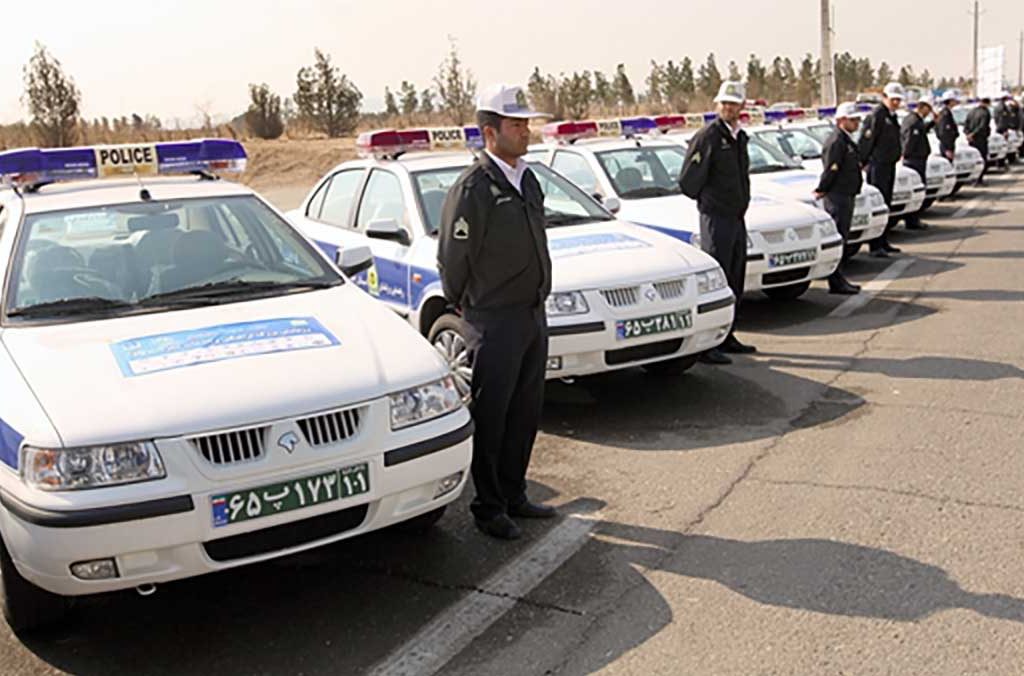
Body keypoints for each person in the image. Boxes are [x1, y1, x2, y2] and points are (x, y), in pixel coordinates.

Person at [437, 84, 554, 540]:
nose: (526, 131)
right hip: (493, 317)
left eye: (527, 124)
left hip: (530, 314)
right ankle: (488, 507)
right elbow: (453, 259)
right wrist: (470, 304)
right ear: (490, 131)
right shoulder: (473, 188)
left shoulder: (527, 178)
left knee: (525, 411)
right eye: (516, 124)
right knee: (493, 413)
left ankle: (513, 493)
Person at [679, 80, 754, 365]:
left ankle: (727, 335)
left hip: (736, 218)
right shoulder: (708, 137)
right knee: (718, 278)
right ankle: (708, 345)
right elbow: (688, 181)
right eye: (724, 103)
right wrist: (712, 202)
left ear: (742, 107)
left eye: (733, 103)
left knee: (735, 278)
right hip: (716, 219)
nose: (728, 107)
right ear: (717, 104)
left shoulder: (739, 137)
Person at [814, 102, 864, 295]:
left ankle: (839, 278)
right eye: (853, 120)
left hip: (847, 193)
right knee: (839, 238)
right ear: (842, 120)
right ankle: (836, 280)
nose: (857, 123)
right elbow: (831, 168)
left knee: (843, 237)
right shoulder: (836, 141)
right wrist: (822, 188)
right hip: (838, 195)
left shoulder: (846, 140)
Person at [858, 82, 905, 258]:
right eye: (893, 99)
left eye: (898, 100)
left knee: (886, 204)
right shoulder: (877, 115)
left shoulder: (891, 116)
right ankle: (875, 244)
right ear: (884, 97)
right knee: (878, 204)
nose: (896, 103)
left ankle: (883, 240)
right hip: (878, 165)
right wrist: (862, 161)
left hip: (889, 164)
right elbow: (867, 140)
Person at [900, 98, 936, 230]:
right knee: (917, 190)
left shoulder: (915, 120)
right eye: (929, 109)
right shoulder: (913, 121)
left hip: (917, 159)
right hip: (914, 160)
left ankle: (914, 219)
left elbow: (922, 131)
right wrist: (905, 154)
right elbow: (910, 140)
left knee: (918, 190)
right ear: (923, 107)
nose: (929, 112)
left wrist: (932, 123)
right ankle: (912, 220)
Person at [964, 97, 992, 185]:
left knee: (974, 159)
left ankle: (973, 179)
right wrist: (973, 134)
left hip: (972, 139)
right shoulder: (985, 112)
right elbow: (982, 126)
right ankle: (979, 179)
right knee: (982, 159)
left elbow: (966, 124)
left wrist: (968, 134)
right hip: (980, 138)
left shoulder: (971, 111)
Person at [935, 90, 961, 162]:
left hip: (947, 145)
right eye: (954, 100)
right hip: (946, 147)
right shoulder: (945, 115)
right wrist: (947, 149)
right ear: (950, 101)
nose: (955, 102)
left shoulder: (945, 113)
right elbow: (944, 133)